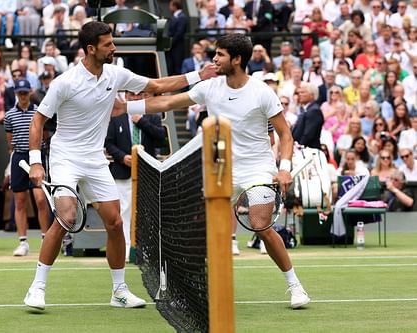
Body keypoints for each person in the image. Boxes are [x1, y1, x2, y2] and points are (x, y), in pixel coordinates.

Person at [23, 21, 217, 310]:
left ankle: (119, 291)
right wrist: (36, 162)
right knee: (65, 216)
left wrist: (198, 75)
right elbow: (38, 119)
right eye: (108, 44)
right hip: (65, 157)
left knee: (115, 222)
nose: (113, 48)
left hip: (96, 159)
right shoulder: (64, 82)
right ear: (91, 49)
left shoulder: (116, 74)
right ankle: (37, 287)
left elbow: (155, 86)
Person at [114, 33, 310, 309]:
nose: (214, 59)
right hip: (222, 172)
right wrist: (126, 108)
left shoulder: (262, 92)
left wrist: (285, 168)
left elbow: (285, 135)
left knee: (261, 225)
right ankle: (190, 290)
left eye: (220, 55)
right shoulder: (211, 87)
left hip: (258, 170)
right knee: (195, 230)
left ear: (237, 60)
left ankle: (295, 286)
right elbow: (169, 103)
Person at [105, 90, 166, 262]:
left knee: (147, 212)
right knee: (123, 212)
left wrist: (141, 121)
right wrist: (123, 158)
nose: (135, 97)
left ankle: (145, 249)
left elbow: (161, 138)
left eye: (139, 95)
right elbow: (108, 142)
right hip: (123, 173)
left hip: (147, 173)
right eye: (132, 94)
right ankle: (124, 249)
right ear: (126, 96)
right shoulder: (117, 117)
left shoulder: (152, 116)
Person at [4, 79, 50, 257]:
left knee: (40, 199)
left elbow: (44, 135)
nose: (23, 96)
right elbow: (10, 140)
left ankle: (46, 239)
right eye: (20, 93)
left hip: (36, 156)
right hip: (19, 157)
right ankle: (23, 242)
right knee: (20, 201)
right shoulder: (9, 115)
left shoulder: (39, 111)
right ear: (16, 94)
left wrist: (38, 153)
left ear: (30, 92)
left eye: (25, 93)